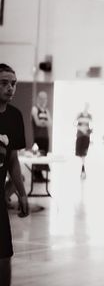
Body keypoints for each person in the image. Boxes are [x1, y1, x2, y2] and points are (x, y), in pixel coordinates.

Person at [0, 64, 30, 286]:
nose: (10, 88)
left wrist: (22, 194)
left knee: (4, 257)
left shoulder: (14, 116)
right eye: (4, 83)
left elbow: (12, 161)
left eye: (13, 83)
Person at [31, 91, 51, 182]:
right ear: (38, 98)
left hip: (45, 137)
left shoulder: (46, 111)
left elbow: (50, 123)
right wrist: (44, 123)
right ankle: (36, 175)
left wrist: (43, 122)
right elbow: (37, 123)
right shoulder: (35, 109)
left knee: (44, 155)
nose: (44, 100)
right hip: (38, 136)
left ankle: (41, 176)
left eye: (45, 98)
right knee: (38, 155)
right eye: (42, 98)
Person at [75, 103, 92, 179]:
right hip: (80, 135)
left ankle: (83, 170)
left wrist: (88, 131)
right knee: (79, 153)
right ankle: (81, 169)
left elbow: (92, 126)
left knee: (84, 153)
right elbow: (74, 123)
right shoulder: (79, 115)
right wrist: (81, 128)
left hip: (86, 136)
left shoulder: (89, 116)